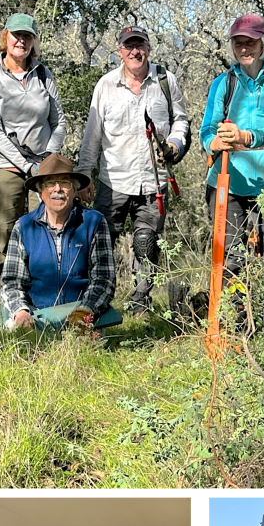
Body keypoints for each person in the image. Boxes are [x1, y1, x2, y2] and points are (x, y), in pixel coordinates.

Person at [78, 25, 189, 316]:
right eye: (129, 47)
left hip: (154, 181)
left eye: (139, 46)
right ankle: (98, 301)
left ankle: (141, 301)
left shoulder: (166, 81)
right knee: (101, 243)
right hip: (113, 180)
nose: (134, 52)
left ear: (148, 49)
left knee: (147, 243)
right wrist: (83, 174)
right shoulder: (105, 85)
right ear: (120, 52)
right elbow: (92, 135)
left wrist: (175, 144)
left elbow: (181, 120)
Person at [0, 14, 67, 307]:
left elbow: (59, 122)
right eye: (16, 36)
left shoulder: (44, 74)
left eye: (27, 37)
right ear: (5, 38)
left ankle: (42, 299)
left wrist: (47, 159)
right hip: (7, 164)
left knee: (47, 230)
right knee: (6, 231)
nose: (21, 41)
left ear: (33, 42)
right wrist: (27, 165)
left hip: (42, 166)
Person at [199, 14, 264, 278]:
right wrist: (215, 142)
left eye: (250, 42)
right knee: (230, 263)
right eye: (238, 43)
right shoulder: (223, 83)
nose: (244, 49)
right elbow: (207, 129)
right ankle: (235, 317)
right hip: (228, 183)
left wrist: (244, 137)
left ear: (262, 44)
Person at [0, 154, 117, 331]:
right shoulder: (23, 226)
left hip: (84, 313)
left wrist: (84, 312)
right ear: (40, 191)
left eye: (65, 183)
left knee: (88, 348)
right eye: (49, 183)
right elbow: (11, 281)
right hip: (36, 315)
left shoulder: (94, 222)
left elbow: (103, 279)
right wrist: (21, 312)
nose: (57, 189)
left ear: (75, 190)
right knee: (18, 337)